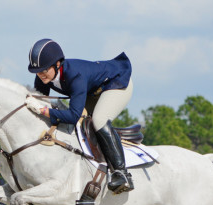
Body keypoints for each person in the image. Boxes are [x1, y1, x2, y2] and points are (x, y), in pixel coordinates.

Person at [25, 38, 134, 194]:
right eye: (37, 71)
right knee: (81, 127)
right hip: (93, 91)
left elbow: (72, 115)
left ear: (57, 64)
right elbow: (38, 101)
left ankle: (121, 173)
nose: (40, 74)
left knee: (99, 120)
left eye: (44, 70)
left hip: (117, 83)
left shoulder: (75, 76)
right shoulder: (44, 76)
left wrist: (43, 110)